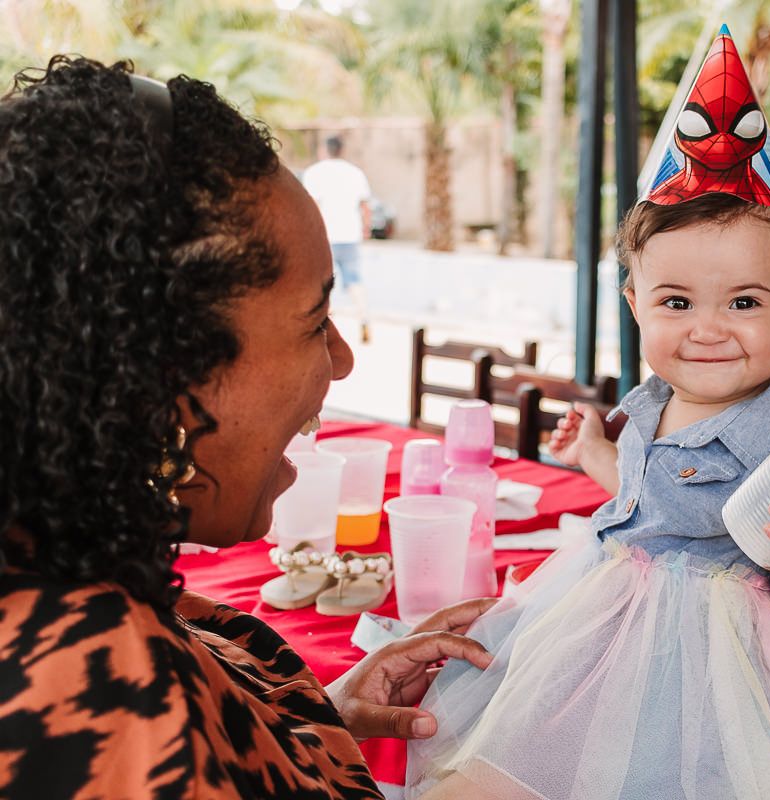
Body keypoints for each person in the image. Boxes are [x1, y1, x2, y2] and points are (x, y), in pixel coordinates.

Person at [405, 28, 770, 800]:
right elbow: (652, 498)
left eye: (744, 303)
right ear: (636, 305)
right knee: (528, 752)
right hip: (603, 614)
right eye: (676, 302)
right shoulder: (657, 399)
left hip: (718, 660)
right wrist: (596, 454)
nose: (707, 329)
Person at [0, 56, 493, 798]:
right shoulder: (96, 684)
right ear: (165, 375)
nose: (343, 359)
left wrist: (308, 724)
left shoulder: (62, 564)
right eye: (315, 321)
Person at [303, 134, 373, 343]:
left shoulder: (315, 173)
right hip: (350, 235)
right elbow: (365, 206)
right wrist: (366, 229)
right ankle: (363, 317)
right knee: (354, 280)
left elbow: (312, 207)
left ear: (324, 150)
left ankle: (326, 327)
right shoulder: (355, 173)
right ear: (342, 150)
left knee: (324, 283)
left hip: (326, 236)